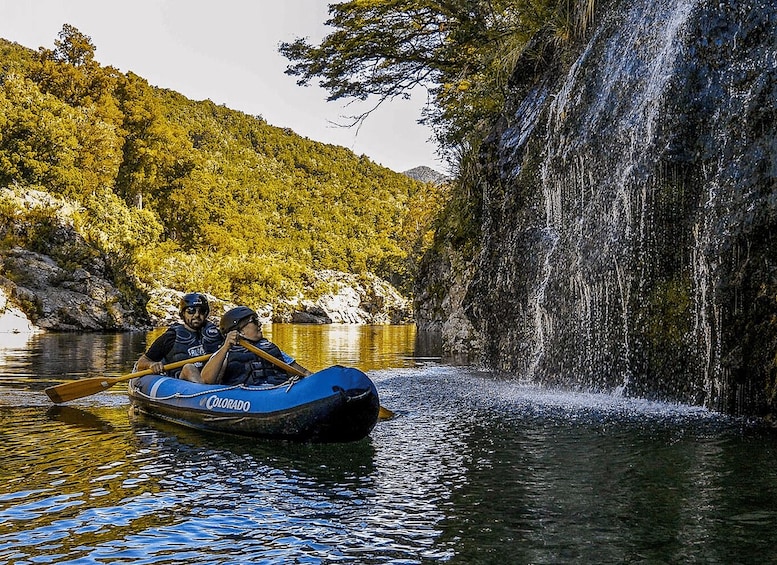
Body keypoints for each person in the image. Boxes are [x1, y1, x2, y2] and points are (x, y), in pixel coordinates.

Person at [201, 306, 311, 386]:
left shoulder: (270, 347)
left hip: (280, 391)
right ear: (239, 331)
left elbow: (304, 373)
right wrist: (225, 348)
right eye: (254, 321)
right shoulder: (225, 352)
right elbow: (206, 380)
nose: (260, 324)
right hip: (246, 400)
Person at [136, 293, 224, 382]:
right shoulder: (171, 336)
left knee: (224, 363)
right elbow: (142, 362)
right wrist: (151, 365)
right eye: (191, 311)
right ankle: (203, 390)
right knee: (189, 368)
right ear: (183, 313)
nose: (197, 315)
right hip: (183, 380)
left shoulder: (216, 335)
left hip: (210, 377)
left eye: (201, 311)